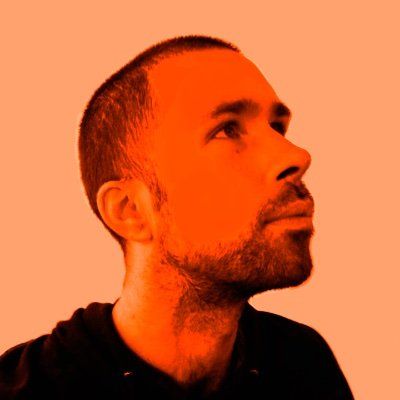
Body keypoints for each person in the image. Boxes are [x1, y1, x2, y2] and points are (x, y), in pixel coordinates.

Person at [0, 35, 354, 399]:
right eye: (227, 130)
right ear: (130, 210)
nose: (296, 156)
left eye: (277, 127)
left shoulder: (302, 365)